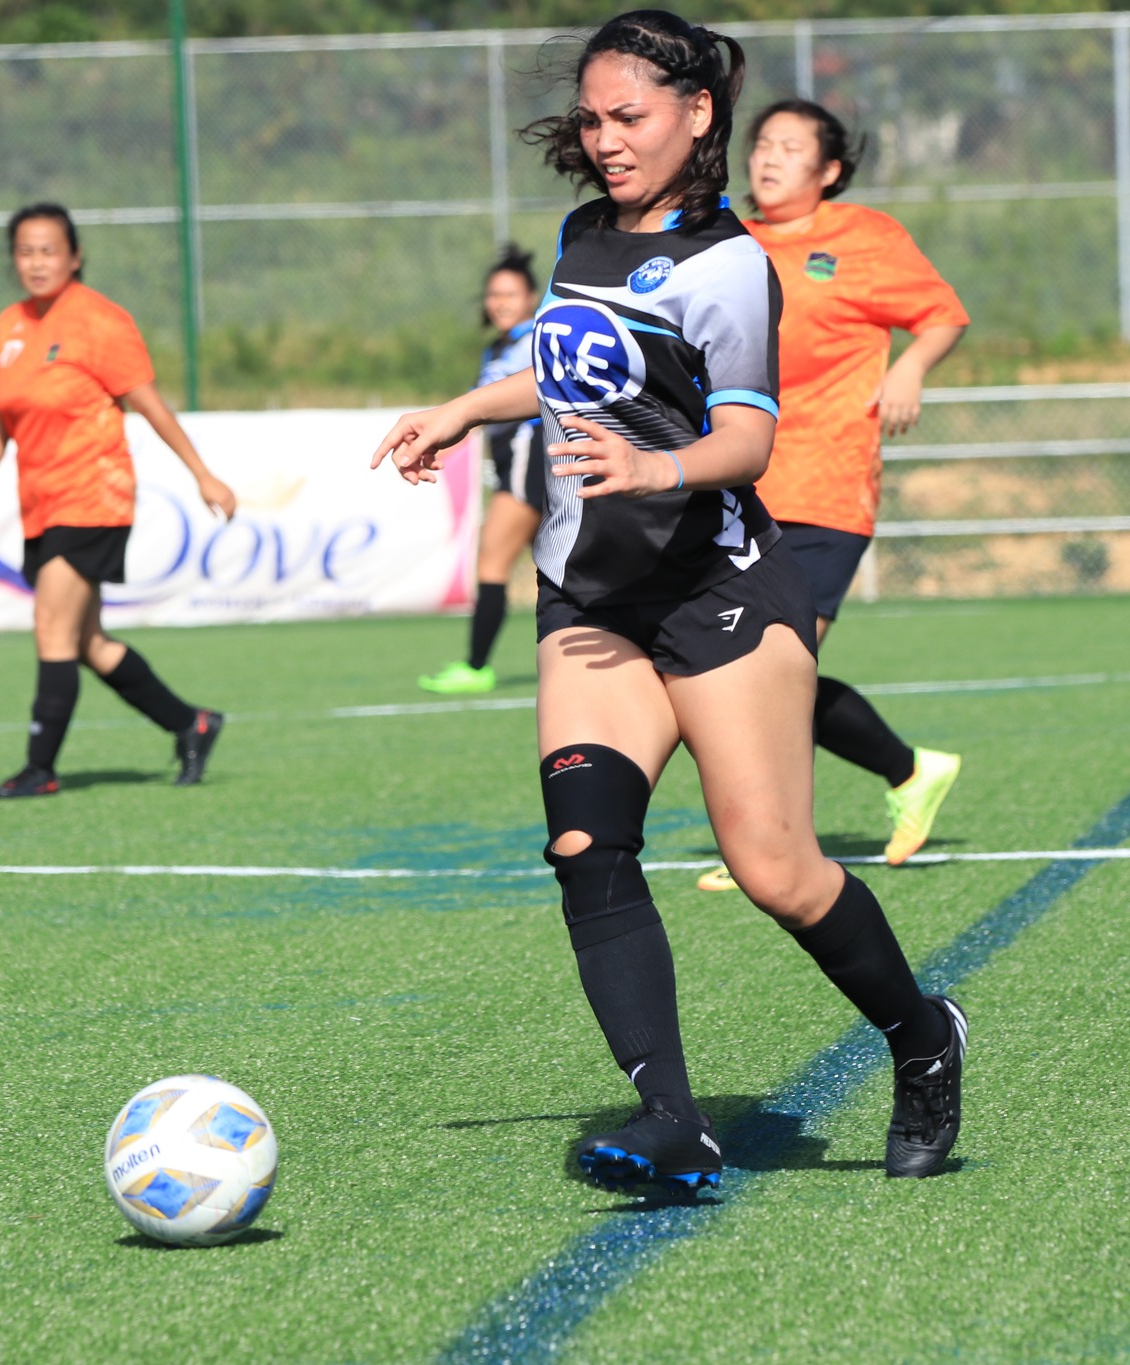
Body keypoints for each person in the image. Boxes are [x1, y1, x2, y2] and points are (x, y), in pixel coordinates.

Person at [371, 10, 966, 1186]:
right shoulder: (583, 231)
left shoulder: (729, 265)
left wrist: (656, 467)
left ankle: (921, 1036)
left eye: (626, 116)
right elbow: (561, 356)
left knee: (774, 870)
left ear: (695, 114)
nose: (603, 139)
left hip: (717, 594)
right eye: (590, 119)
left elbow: (746, 436)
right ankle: (671, 1117)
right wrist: (460, 408)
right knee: (586, 843)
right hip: (589, 596)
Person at [696, 99, 970, 893]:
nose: (769, 158)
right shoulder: (723, 237)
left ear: (830, 171)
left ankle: (776, 844)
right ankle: (908, 770)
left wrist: (910, 369)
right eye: (762, 145)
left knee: (770, 666)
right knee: (754, 667)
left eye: (791, 147)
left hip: (826, 483)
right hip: (738, 486)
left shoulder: (864, 238)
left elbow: (943, 315)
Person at [0, 203, 237, 799]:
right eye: (25, 251)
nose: (36, 262)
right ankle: (191, 722)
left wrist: (202, 474)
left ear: (75, 256)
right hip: (41, 502)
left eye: (49, 250)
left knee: (51, 630)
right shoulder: (10, 325)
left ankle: (40, 767)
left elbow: (150, 404)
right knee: (88, 644)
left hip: (93, 498)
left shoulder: (100, 322)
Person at [417, 247, 546, 695]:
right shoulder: (499, 346)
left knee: (492, 558)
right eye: (493, 295)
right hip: (516, 462)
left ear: (532, 298)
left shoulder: (535, 338)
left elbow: (507, 406)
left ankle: (476, 667)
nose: (500, 302)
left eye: (510, 294)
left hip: (534, 461)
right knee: (566, 567)